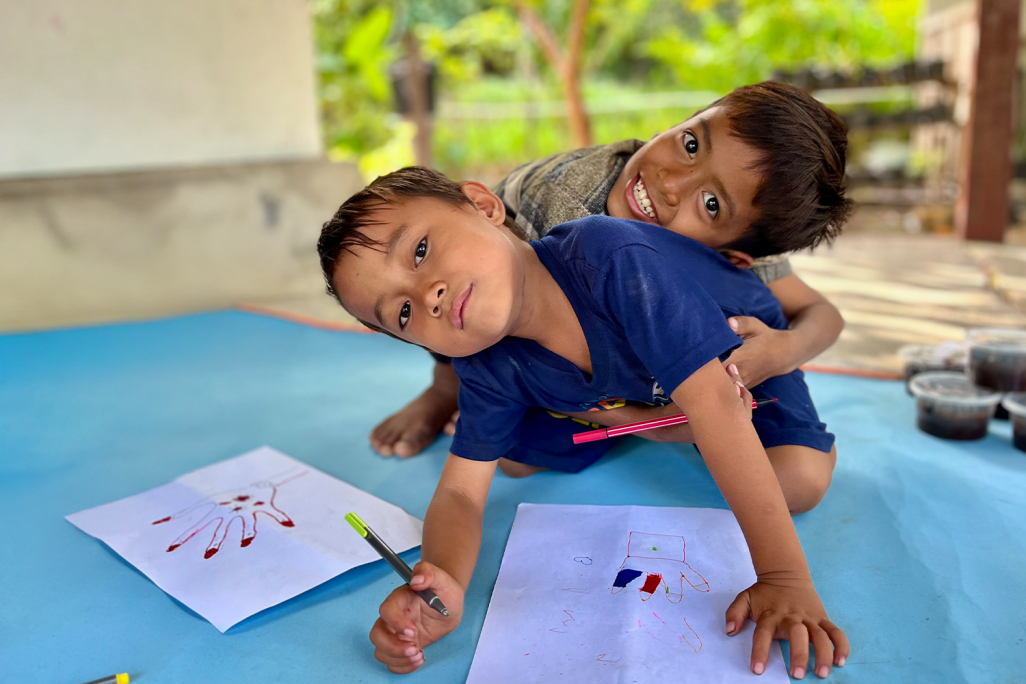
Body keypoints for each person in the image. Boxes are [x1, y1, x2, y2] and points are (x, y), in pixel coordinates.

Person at [317, 167, 850, 679]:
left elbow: (717, 405)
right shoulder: (481, 361)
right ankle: (643, 424)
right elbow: (460, 494)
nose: (427, 295)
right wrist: (445, 582)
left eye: (421, 250)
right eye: (403, 314)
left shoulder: (608, 256)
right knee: (514, 461)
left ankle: (652, 423)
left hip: (740, 358)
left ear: (483, 206)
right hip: (626, 389)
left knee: (798, 484)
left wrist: (783, 577)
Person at [369, 81, 851, 462]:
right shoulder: (567, 221)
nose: (669, 182)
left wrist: (782, 351)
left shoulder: (744, 224)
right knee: (512, 447)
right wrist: (659, 412)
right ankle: (445, 387)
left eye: (709, 203)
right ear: (685, 121)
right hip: (492, 289)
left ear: (735, 253)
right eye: (689, 144)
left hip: (621, 308)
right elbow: (481, 310)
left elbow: (820, 312)